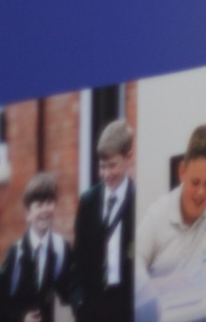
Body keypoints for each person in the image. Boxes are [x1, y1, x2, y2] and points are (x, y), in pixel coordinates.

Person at [137, 125, 206, 281]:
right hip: (168, 302)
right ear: (182, 172)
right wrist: (163, 285)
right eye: (195, 182)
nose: (201, 192)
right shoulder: (158, 213)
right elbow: (133, 263)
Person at [72, 120, 134, 322]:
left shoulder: (139, 201)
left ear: (128, 158)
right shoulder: (88, 202)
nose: (106, 174)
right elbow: (77, 260)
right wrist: (78, 302)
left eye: (113, 166)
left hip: (126, 306)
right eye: (102, 167)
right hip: (92, 308)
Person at [0, 173, 74, 322]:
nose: (45, 210)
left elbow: (69, 289)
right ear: (28, 214)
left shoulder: (61, 248)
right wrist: (21, 317)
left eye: (49, 202)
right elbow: (0, 300)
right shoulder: (16, 253)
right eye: (39, 205)